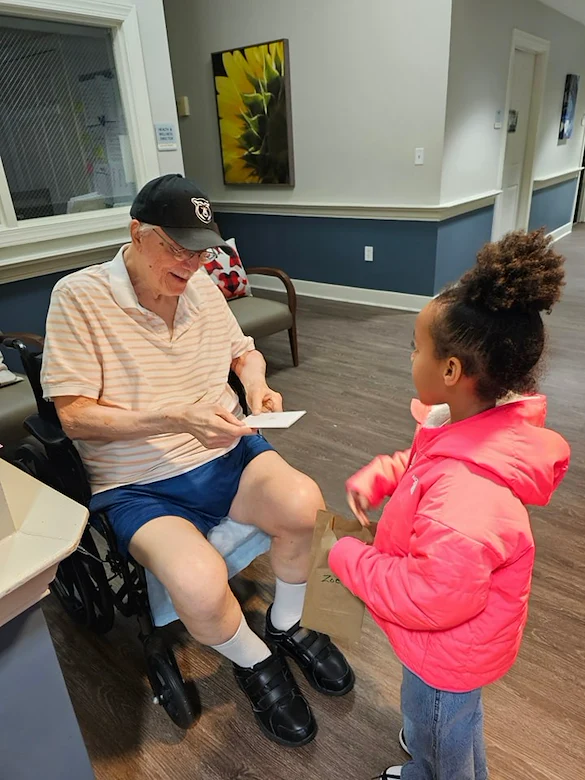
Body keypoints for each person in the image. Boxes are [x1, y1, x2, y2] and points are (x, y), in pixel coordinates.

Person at [41, 174, 354, 747]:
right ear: (137, 233)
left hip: (227, 451)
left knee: (305, 504)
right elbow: (74, 416)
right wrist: (176, 417)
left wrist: (257, 388)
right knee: (197, 583)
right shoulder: (79, 297)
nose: (190, 263)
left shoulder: (201, 284)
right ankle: (257, 660)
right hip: (139, 482)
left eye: (201, 248)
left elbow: (244, 352)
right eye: (176, 247)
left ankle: (286, 626)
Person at [329, 229, 570, 779]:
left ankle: (430, 768)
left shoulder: (466, 500)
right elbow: (425, 465)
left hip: (447, 653)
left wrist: (348, 559)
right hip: (459, 644)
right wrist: (385, 474)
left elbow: (432, 596)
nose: (410, 356)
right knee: (451, 726)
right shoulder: (465, 426)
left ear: (452, 371)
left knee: (442, 734)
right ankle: (436, 749)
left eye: (416, 347)